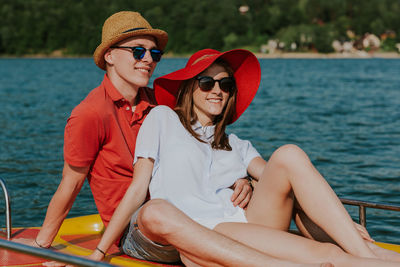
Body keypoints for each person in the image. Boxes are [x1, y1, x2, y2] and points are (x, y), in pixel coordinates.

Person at [87, 48, 400, 266]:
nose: (217, 90)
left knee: (289, 154)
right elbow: (138, 187)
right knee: (156, 210)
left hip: (237, 225)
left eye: (225, 84)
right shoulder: (163, 119)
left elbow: (287, 179)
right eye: (207, 82)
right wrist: (100, 253)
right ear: (190, 89)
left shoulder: (237, 144)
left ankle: (364, 253)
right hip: (190, 228)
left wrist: (249, 180)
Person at [13, 10, 254, 262]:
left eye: (155, 53)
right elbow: (71, 183)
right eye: (138, 51)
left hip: (185, 212)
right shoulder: (90, 114)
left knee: (266, 192)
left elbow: (206, 148)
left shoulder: (159, 105)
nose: (148, 59)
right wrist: (42, 244)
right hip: (136, 230)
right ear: (110, 56)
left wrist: (240, 177)